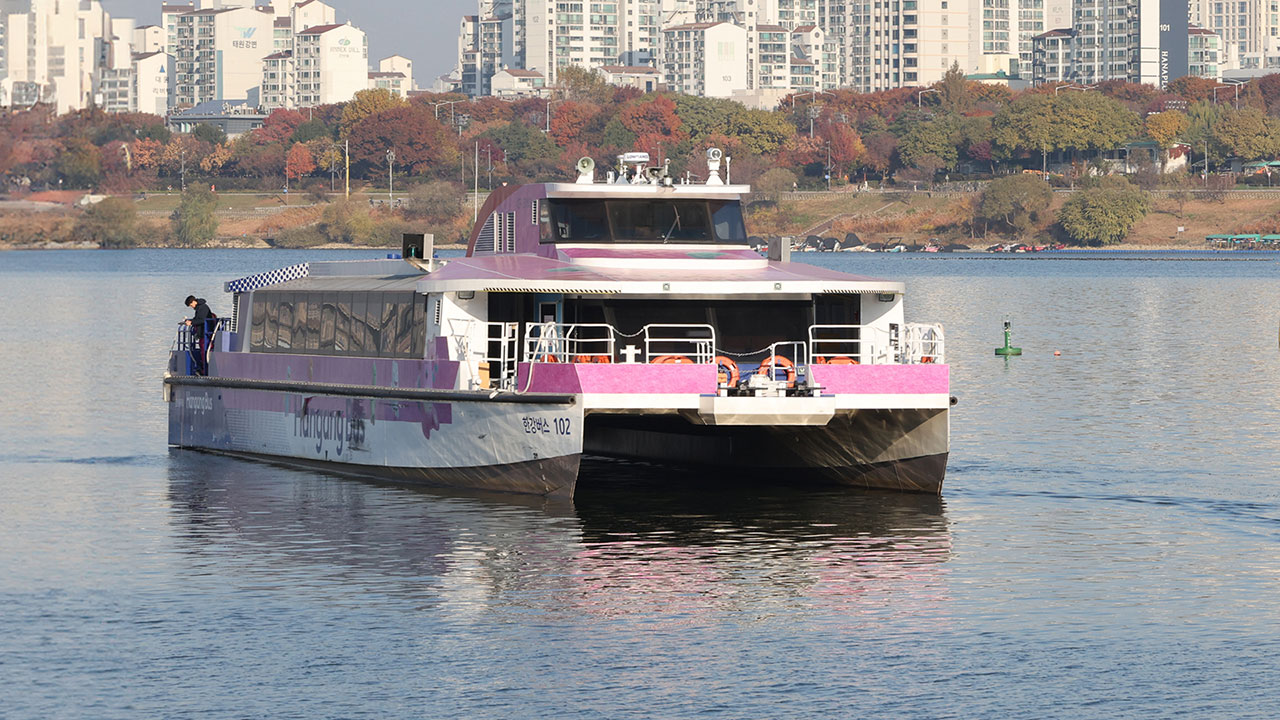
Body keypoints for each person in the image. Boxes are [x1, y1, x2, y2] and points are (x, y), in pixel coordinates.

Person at [184, 295, 216, 376]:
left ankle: (205, 371)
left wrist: (192, 322)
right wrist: (190, 321)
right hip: (202, 333)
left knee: (204, 352)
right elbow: (198, 319)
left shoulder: (202, 308)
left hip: (206, 333)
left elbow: (202, 320)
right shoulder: (199, 308)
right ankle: (202, 369)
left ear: (193, 302)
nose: (191, 307)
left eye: (191, 305)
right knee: (203, 351)